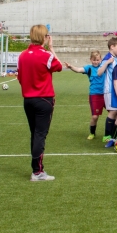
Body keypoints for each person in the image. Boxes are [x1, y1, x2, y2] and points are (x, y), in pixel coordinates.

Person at [17, 24, 64, 181]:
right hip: (44, 99)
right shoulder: (46, 55)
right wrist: (51, 48)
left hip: (28, 100)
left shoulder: (22, 55)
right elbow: (59, 66)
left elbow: (20, 78)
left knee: (35, 134)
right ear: (44, 37)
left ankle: (36, 169)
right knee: (40, 135)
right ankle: (37, 171)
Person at [66, 50, 105, 140]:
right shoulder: (89, 68)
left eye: (97, 60)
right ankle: (92, 133)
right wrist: (71, 66)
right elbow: (78, 70)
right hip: (94, 94)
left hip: (106, 94)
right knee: (95, 116)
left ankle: (111, 134)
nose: (96, 62)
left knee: (113, 113)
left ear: (101, 59)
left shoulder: (104, 67)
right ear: (90, 59)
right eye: (94, 60)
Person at [99, 37, 117, 146]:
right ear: (112, 47)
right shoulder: (107, 58)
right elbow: (99, 72)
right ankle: (107, 135)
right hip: (109, 90)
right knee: (113, 112)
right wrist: (107, 63)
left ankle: (114, 135)